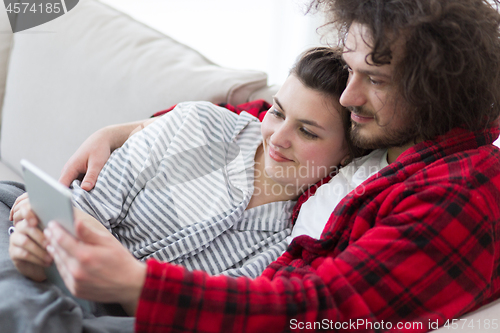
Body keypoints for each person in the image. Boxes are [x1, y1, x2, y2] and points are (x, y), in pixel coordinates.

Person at [15, 0, 500, 331]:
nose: (351, 95)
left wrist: (135, 284)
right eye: (352, 71)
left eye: (374, 79)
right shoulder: (380, 133)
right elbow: (266, 121)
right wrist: (133, 128)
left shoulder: (460, 196)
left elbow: (325, 312)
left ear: (437, 89)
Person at [7, 48, 363, 317]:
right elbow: (82, 206)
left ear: (346, 155)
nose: (278, 138)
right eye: (278, 112)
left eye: (306, 131)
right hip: (41, 238)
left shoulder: (294, 241)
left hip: (110, 309)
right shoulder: (199, 125)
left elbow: (195, 310)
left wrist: (81, 245)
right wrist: (38, 246)